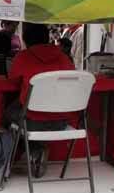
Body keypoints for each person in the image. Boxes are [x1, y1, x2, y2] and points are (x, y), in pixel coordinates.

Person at [5, 23, 75, 178]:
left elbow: (12, 80)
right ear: (47, 38)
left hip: (31, 121)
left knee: (8, 114)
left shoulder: (23, 57)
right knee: (23, 112)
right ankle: (37, 150)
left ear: (26, 40)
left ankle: (29, 152)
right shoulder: (63, 57)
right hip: (61, 122)